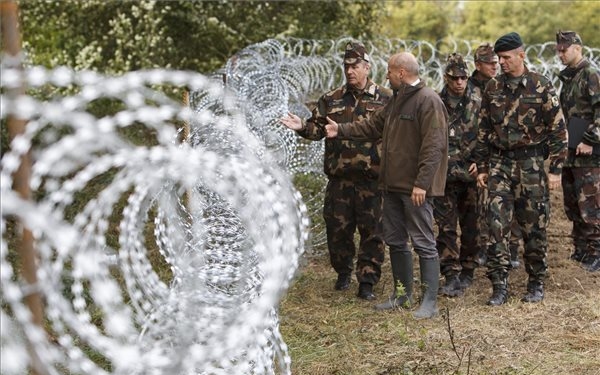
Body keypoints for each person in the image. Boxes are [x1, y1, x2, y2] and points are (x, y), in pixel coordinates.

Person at [324, 51, 448, 319]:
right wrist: (340, 130)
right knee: (395, 241)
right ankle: (402, 295)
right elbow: (371, 126)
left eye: (390, 72)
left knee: (424, 242)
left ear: (402, 73)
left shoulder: (428, 101)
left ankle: (429, 302)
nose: (386, 76)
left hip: (415, 189)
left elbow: (434, 146)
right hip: (391, 186)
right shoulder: (396, 101)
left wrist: (422, 184)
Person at [280, 42, 392, 300]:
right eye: (346, 67)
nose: (350, 71)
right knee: (337, 229)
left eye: (355, 67)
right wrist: (301, 127)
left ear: (367, 67)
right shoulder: (331, 99)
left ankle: (367, 280)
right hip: (340, 179)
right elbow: (316, 130)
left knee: (373, 232)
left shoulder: (386, 98)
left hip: (372, 179)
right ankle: (343, 272)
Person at [474, 32, 567, 306]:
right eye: (498, 58)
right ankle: (499, 285)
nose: (501, 63)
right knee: (496, 225)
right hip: (500, 164)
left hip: (532, 166)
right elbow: (483, 130)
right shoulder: (492, 88)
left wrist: (556, 170)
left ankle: (535, 282)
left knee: (534, 226)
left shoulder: (541, 86)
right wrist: (481, 167)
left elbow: (558, 131)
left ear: (521, 55)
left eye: (506, 58)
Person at [469, 43, 522, 270]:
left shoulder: (503, 85)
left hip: (503, 156)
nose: (495, 65)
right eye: (490, 62)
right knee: (484, 208)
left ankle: (512, 249)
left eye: (496, 61)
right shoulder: (467, 87)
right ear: (478, 64)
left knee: (511, 205)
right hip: (479, 155)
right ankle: (485, 249)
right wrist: (475, 160)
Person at [434, 53, 482, 297]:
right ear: (446, 78)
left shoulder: (477, 100)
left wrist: (480, 162)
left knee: (472, 226)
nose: (460, 83)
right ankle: (450, 274)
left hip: (470, 176)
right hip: (444, 176)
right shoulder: (435, 102)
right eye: (455, 78)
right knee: (446, 228)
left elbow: (486, 134)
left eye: (464, 77)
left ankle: (468, 268)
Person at [556, 30, 600, 272]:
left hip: (589, 153)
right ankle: (581, 249)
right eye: (558, 50)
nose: (560, 54)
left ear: (577, 48)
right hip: (572, 150)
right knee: (573, 203)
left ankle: (596, 252)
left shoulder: (590, 74)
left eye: (564, 49)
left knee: (590, 203)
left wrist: (589, 140)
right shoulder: (570, 77)